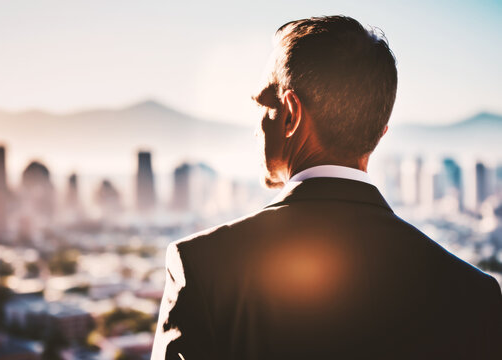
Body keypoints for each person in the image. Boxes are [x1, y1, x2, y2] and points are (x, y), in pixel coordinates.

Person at [151, 16, 502, 359]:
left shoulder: (203, 267)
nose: (256, 126)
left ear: (290, 113)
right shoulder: (475, 294)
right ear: (380, 133)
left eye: (262, 103)